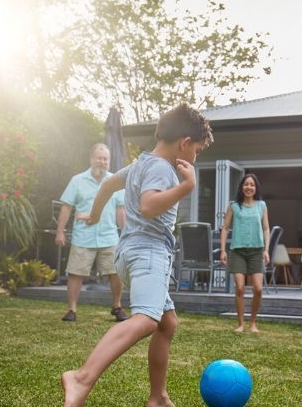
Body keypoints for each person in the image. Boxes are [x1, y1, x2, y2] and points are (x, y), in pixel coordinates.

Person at [61, 103, 213, 407]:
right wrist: (187, 186)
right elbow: (148, 205)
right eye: (196, 150)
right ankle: (81, 377)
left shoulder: (142, 163)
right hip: (149, 253)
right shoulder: (162, 168)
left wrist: (93, 215)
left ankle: (158, 397)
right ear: (184, 143)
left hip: (129, 252)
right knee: (145, 320)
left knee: (166, 323)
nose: (195, 157)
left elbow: (107, 185)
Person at [56, 143, 129, 323]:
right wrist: (60, 231)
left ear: (109, 161)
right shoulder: (77, 181)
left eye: (105, 159)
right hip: (83, 236)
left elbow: (121, 210)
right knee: (75, 273)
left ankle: (117, 306)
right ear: (91, 159)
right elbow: (66, 207)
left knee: (116, 272)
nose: (102, 161)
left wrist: (126, 233)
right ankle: (72, 310)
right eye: (99, 158)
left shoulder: (116, 181)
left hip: (109, 236)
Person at [219, 174, 270, 333]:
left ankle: (253, 323)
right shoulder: (234, 206)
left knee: (258, 289)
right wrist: (222, 250)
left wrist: (266, 250)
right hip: (238, 252)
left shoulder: (261, 205)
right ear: (241, 187)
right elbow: (225, 228)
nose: (249, 187)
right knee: (240, 288)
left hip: (256, 251)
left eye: (252, 185)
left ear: (256, 188)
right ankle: (240, 324)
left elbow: (266, 228)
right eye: (246, 184)